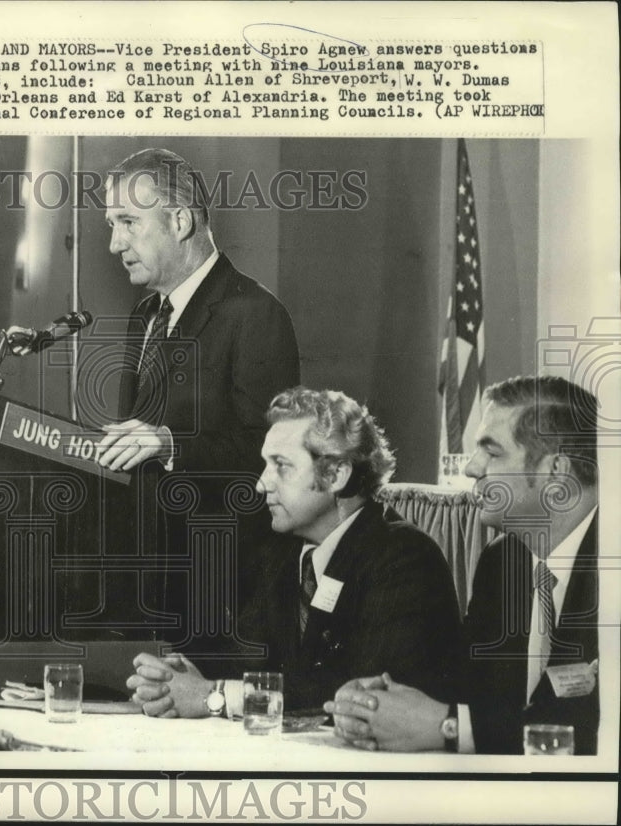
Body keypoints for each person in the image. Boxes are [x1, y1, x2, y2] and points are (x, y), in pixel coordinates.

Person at [125, 387, 461, 717]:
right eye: (265, 465)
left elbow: (358, 695)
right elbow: (246, 659)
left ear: (336, 474)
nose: (261, 484)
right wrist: (184, 673)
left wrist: (216, 696)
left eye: (281, 466)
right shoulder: (280, 555)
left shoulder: (405, 559)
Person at [327, 375, 600, 755]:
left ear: (556, 471)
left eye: (492, 452)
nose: (472, 469)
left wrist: (448, 727)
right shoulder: (502, 561)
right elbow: (462, 687)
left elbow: (593, 731)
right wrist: (372, 702)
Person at [96, 147, 300, 475]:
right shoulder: (144, 315)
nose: (115, 244)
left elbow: (270, 452)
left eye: (129, 222)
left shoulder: (257, 314)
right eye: (111, 224)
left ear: (180, 221)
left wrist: (169, 445)